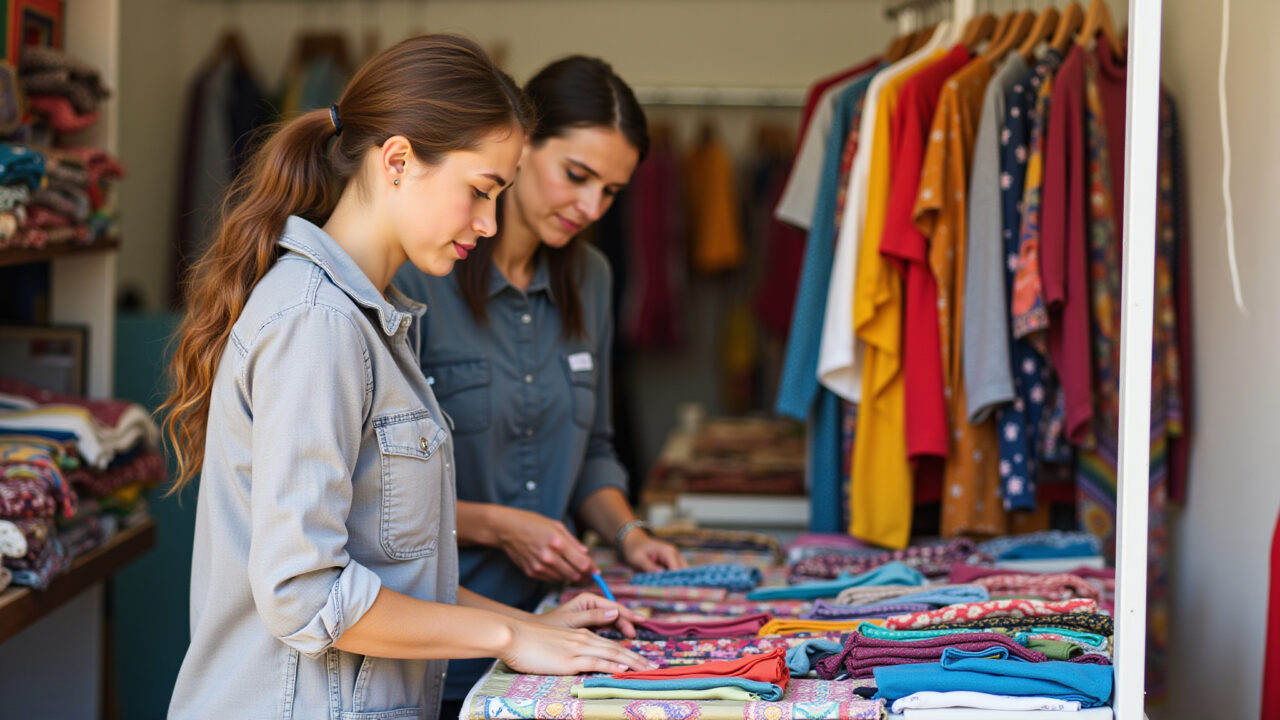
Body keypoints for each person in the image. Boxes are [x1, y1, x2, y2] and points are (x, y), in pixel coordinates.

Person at [160, 36, 652, 720]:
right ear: (397, 160)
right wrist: (509, 633)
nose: (487, 223)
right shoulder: (318, 323)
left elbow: (393, 570)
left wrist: (530, 625)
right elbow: (308, 596)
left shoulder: (368, 319)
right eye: (480, 192)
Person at [394, 55, 687, 709]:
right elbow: (374, 501)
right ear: (521, 145)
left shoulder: (593, 279)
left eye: (611, 192)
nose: (589, 206)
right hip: (432, 640)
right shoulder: (416, 278)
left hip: (555, 641)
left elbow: (594, 452)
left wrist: (629, 534)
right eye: (576, 176)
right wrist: (500, 527)